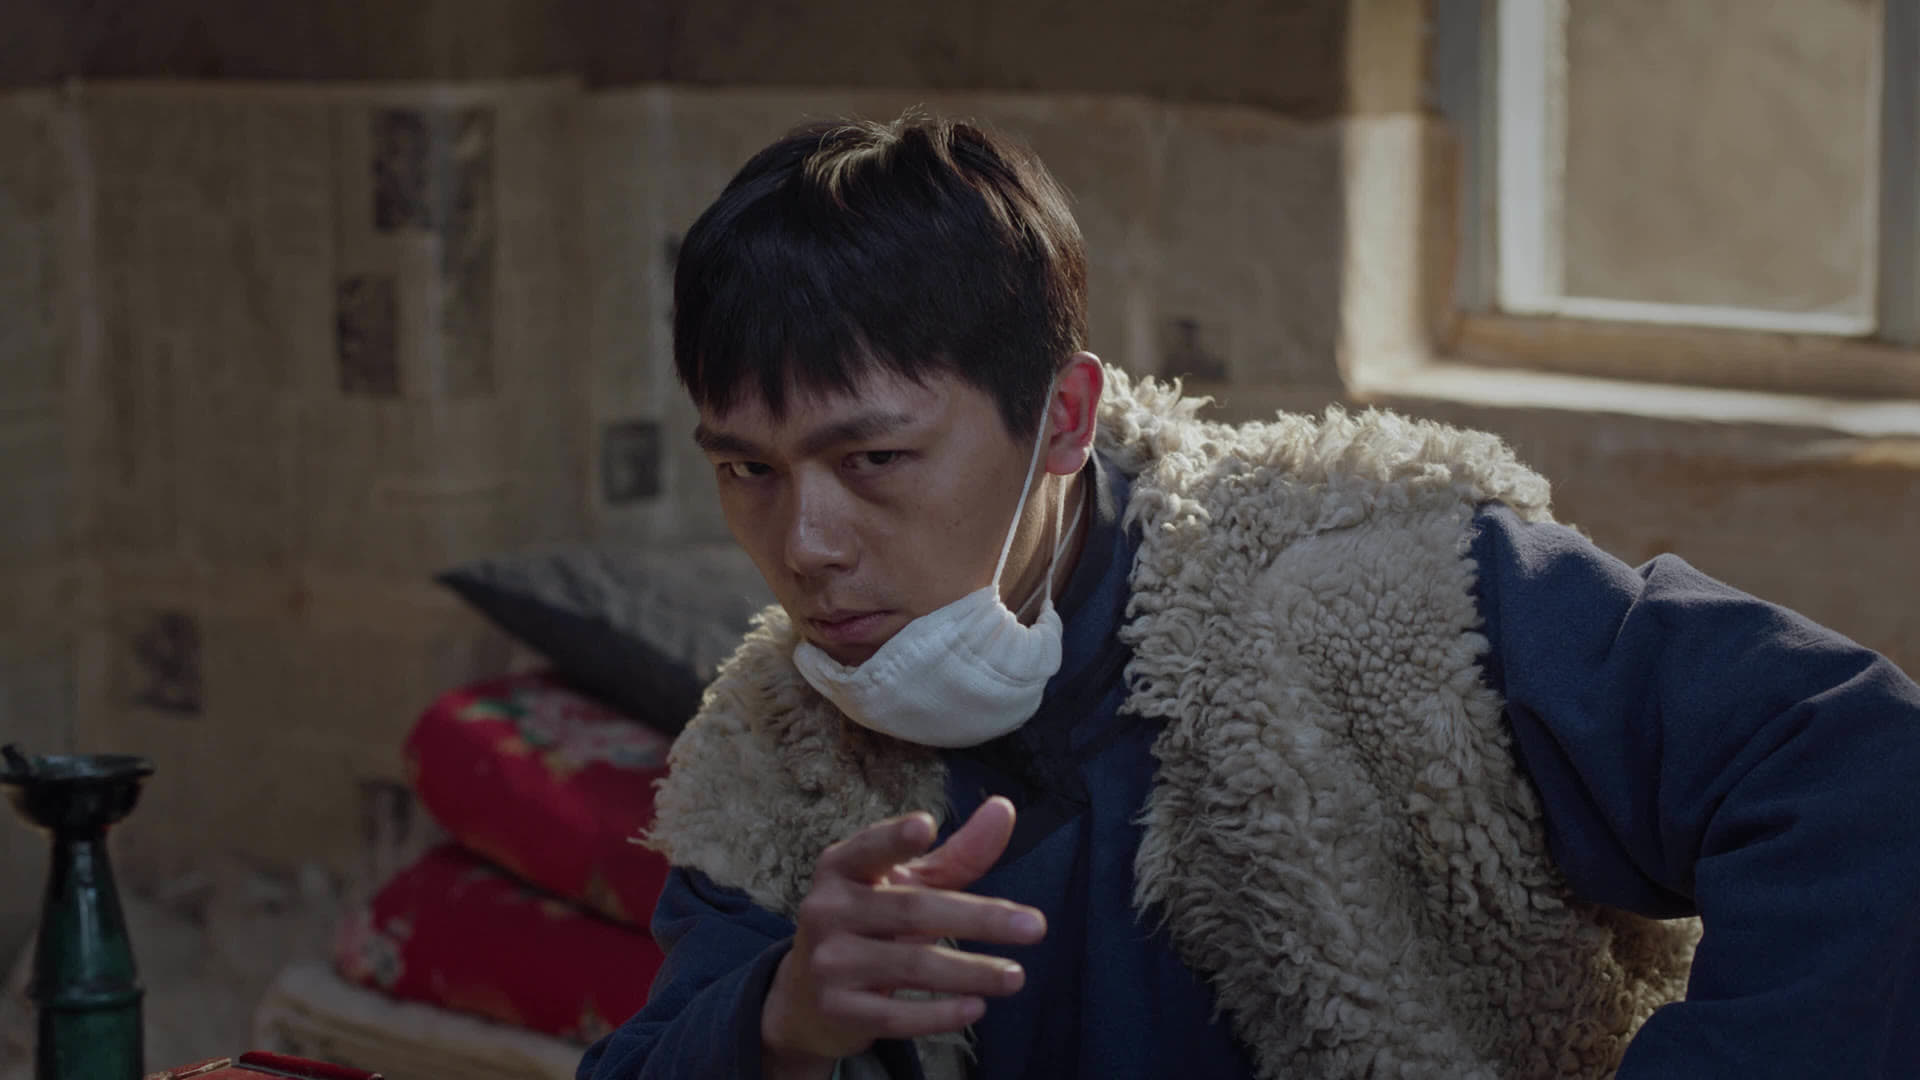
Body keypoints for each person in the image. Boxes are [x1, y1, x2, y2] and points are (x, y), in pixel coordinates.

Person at [577, 114, 1920, 1080]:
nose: (805, 544)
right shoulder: (769, 760)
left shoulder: (1389, 593)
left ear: (1062, 418)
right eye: (747, 470)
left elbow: (1862, 765)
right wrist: (777, 1019)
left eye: (873, 460)